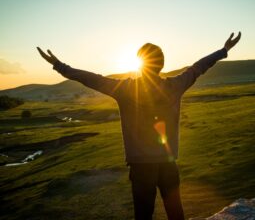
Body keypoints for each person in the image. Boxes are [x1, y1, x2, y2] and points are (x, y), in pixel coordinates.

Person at [37, 32, 241, 220]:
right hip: (168, 163)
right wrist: (223, 51)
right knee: (176, 213)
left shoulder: (125, 89)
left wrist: (58, 65)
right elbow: (198, 68)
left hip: (141, 166)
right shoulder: (175, 85)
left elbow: (91, 79)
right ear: (161, 64)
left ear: (140, 64)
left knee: (143, 215)